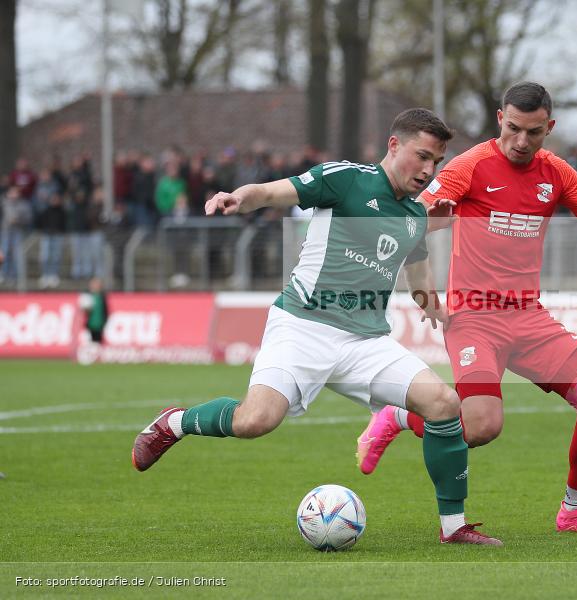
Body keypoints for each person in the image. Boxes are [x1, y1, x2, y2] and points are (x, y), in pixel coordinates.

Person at [131, 108, 501, 546]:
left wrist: (432, 305)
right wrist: (239, 197)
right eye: (422, 156)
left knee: (443, 402)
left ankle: (453, 527)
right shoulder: (344, 179)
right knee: (255, 420)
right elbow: (272, 192)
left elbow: (416, 271)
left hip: (365, 341)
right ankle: (175, 423)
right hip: (302, 327)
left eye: (436, 162)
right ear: (394, 145)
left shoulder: (415, 215)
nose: (427, 169)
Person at [355, 82, 577, 535]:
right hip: (473, 316)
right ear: (500, 118)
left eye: (533, 132)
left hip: (529, 317)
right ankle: (398, 416)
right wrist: (428, 235)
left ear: (549, 128)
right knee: (480, 427)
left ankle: (574, 512)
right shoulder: (470, 166)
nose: (520, 141)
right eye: (513, 128)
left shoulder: (556, 173)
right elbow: (413, 220)